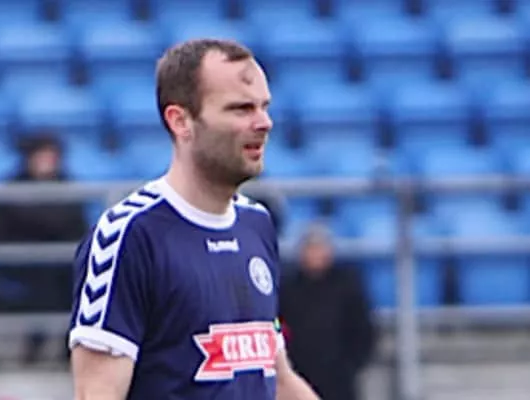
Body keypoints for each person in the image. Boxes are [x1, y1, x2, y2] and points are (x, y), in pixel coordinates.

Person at [68, 39, 320, 399]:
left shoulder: (257, 224)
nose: (264, 123)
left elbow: (276, 378)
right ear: (181, 121)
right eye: (241, 109)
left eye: (264, 107)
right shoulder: (129, 236)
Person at [279, 224, 376, 400]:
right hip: (300, 376)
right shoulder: (288, 289)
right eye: (310, 248)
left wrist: (351, 365)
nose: (315, 254)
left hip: (339, 379)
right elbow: (279, 326)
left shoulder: (347, 287)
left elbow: (363, 329)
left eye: (319, 248)